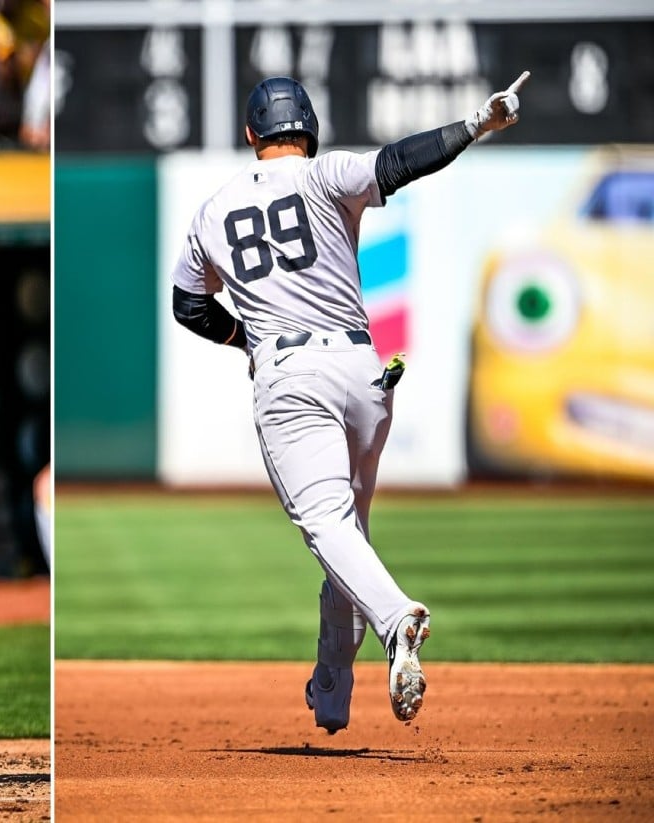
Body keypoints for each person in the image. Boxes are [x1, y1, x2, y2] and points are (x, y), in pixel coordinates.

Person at [170, 72, 530, 733]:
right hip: (366, 374)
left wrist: (243, 336)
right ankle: (332, 689)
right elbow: (401, 161)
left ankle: (399, 620)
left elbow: (188, 304)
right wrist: (476, 123)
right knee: (347, 532)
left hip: (290, 373)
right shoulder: (327, 173)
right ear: (308, 130)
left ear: (250, 134)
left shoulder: (213, 209)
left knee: (327, 526)